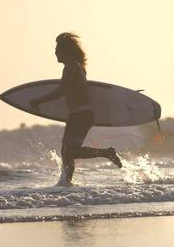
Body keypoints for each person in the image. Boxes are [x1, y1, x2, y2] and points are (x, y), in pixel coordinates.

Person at [30, 32, 122, 186]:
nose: (55, 54)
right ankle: (66, 183)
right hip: (79, 115)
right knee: (66, 153)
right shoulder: (78, 67)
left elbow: (61, 90)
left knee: (70, 151)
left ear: (65, 51)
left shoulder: (70, 68)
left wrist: (38, 101)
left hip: (80, 116)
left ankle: (106, 152)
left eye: (57, 50)